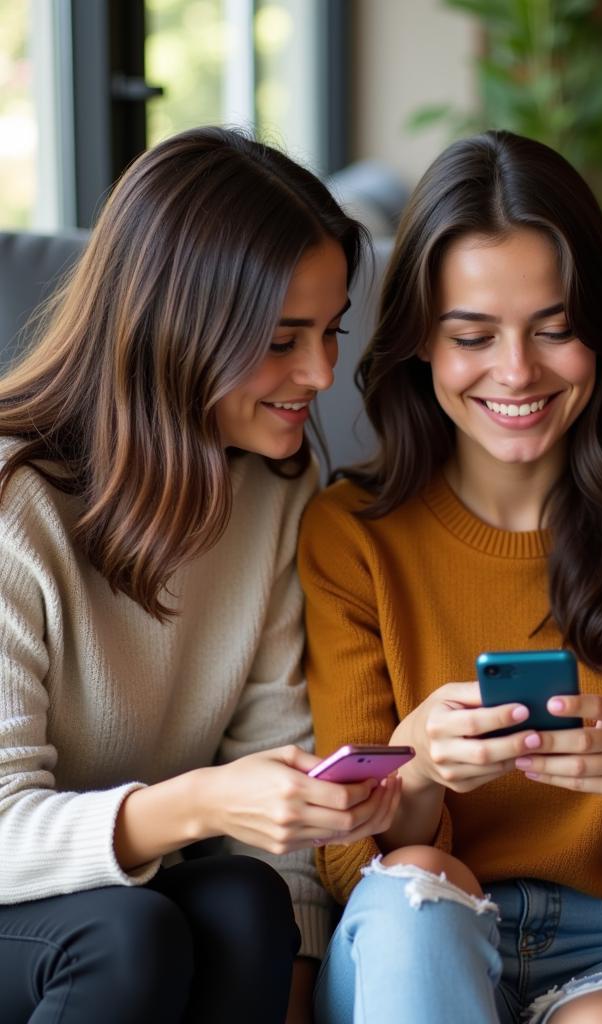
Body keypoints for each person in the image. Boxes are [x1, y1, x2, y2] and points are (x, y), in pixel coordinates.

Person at [298, 130, 602, 1024]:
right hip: (429, 917)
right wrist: (419, 768)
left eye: (554, 331)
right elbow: (342, 861)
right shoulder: (350, 536)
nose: (516, 372)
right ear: (419, 346)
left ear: (601, 333)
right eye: (472, 336)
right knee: (414, 892)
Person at [0, 126, 402, 1024]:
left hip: (122, 908)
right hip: (38, 905)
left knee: (245, 905)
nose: (321, 372)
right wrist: (194, 803)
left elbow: (277, 797)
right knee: (127, 934)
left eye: (330, 332)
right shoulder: (14, 501)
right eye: (281, 339)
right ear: (178, 324)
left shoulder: (276, 490)